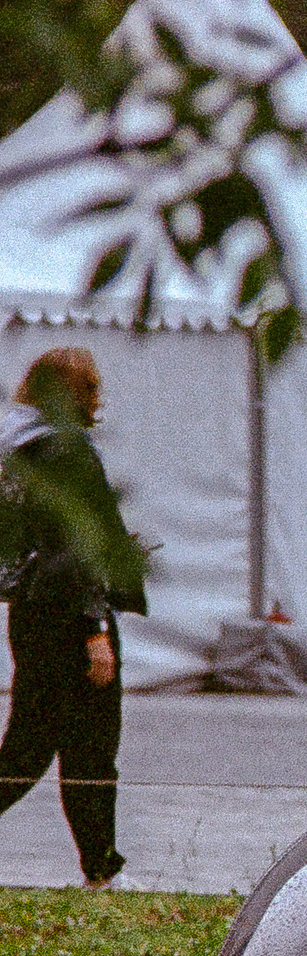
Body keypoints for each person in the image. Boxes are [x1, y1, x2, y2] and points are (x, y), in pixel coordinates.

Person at [0, 348, 147, 889]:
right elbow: (77, 547)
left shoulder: (18, 448)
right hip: (72, 619)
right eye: (91, 387)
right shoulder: (69, 452)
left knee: (30, 745)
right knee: (88, 749)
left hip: (31, 615)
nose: (98, 398)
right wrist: (97, 629)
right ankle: (101, 870)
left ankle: (100, 866)